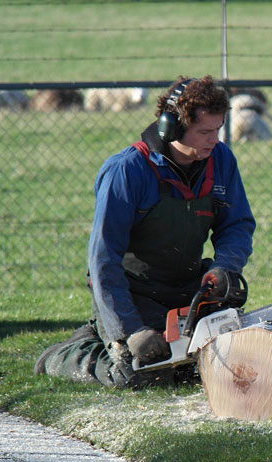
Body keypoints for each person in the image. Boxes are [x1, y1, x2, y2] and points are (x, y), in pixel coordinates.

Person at [34, 76, 256, 388]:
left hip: (189, 287)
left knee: (211, 366)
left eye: (218, 129)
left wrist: (225, 268)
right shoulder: (126, 171)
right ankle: (69, 354)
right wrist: (130, 331)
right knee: (143, 376)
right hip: (134, 293)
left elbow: (237, 225)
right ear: (172, 128)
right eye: (205, 131)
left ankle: (102, 334)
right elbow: (103, 262)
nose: (215, 139)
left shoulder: (221, 160)